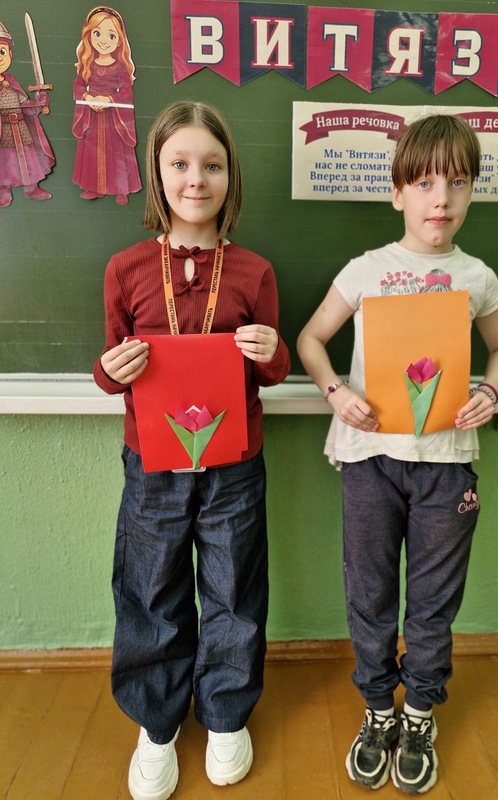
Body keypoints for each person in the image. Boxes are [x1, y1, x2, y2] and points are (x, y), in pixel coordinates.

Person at [297, 114, 498, 795]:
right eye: (424, 183)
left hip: (447, 463)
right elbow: (311, 339)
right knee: (369, 593)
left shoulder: (477, 276)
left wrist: (491, 389)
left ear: (472, 191)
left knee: (433, 599)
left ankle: (419, 712)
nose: (440, 199)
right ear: (397, 193)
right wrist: (336, 392)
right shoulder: (367, 270)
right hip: (371, 458)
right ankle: (377, 708)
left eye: (458, 183)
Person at [93, 100, 290, 800]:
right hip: (154, 462)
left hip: (233, 463)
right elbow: (111, 366)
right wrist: (109, 371)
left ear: (231, 176)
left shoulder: (254, 272)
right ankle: (158, 722)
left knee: (234, 587)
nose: (196, 179)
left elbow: (273, 369)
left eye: (212, 165)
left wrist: (271, 352)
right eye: (179, 163)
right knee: (152, 588)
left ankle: (227, 713)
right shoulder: (125, 269)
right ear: (157, 172)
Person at [72, 6, 142, 204]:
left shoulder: (119, 66)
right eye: (97, 33)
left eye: (111, 36)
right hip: (92, 116)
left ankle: (122, 189)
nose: (103, 41)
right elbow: (77, 85)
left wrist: (109, 100)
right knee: (92, 152)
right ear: (89, 36)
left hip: (114, 118)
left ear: (119, 40)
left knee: (117, 152)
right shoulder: (88, 63)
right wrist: (88, 97)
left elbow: (127, 91)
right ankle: (95, 188)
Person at [0, 19, 54, 207]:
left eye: (2, 51)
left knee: (28, 160)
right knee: (4, 163)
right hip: (2, 131)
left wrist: (38, 102)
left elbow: (26, 107)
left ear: (10, 54)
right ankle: (3, 191)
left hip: (21, 128)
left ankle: (31, 188)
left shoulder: (11, 82)